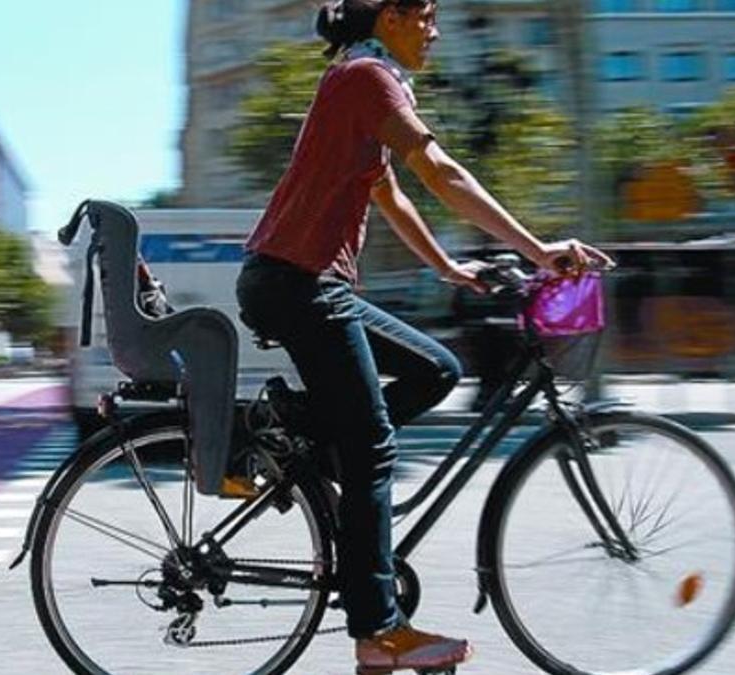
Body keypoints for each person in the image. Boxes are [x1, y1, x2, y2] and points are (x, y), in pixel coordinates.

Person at [233, 0, 614, 672]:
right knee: (372, 444)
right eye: (427, 14)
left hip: (301, 282)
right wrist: (537, 249)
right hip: (302, 284)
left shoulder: (360, 87)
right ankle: (380, 629)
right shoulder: (365, 80)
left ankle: (300, 435)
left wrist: (450, 267)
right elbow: (441, 172)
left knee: (436, 368)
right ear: (390, 16)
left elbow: (392, 196)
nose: (435, 30)